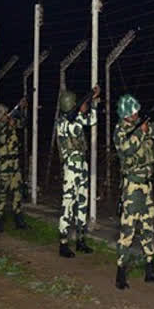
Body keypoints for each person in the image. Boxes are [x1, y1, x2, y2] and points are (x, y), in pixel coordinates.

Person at [112, 94, 154, 289]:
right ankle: (120, 272)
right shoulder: (121, 130)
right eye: (133, 111)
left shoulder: (141, 125)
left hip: (146, 185)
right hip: (132, 186)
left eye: (137, 111)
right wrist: (140, 132)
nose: (136, 114)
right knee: (128, 229)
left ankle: (150, 269)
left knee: (147, 228)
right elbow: (126, 149)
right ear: (126, 114)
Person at [56, 86, 100, 258]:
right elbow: (77, 127)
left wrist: (93, 102)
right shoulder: (64, 123)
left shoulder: (73, 118)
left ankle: (81, 240)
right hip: (71, 168)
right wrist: (84, 108)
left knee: (82, 203)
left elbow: (92, 120)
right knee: (68, 204)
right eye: (77, 104)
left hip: (81, 165)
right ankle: (63, 243)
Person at [0, 99, 28, 233]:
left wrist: (21, 110)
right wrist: (9, 125)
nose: (7, 115)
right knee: (2, 194)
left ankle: (19, 221)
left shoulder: (10, 124)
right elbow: (1, 139)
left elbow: (24, 124)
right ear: (0, 115)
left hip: (15, 164)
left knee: (18, 193)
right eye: (5, 114)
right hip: (4, 166)